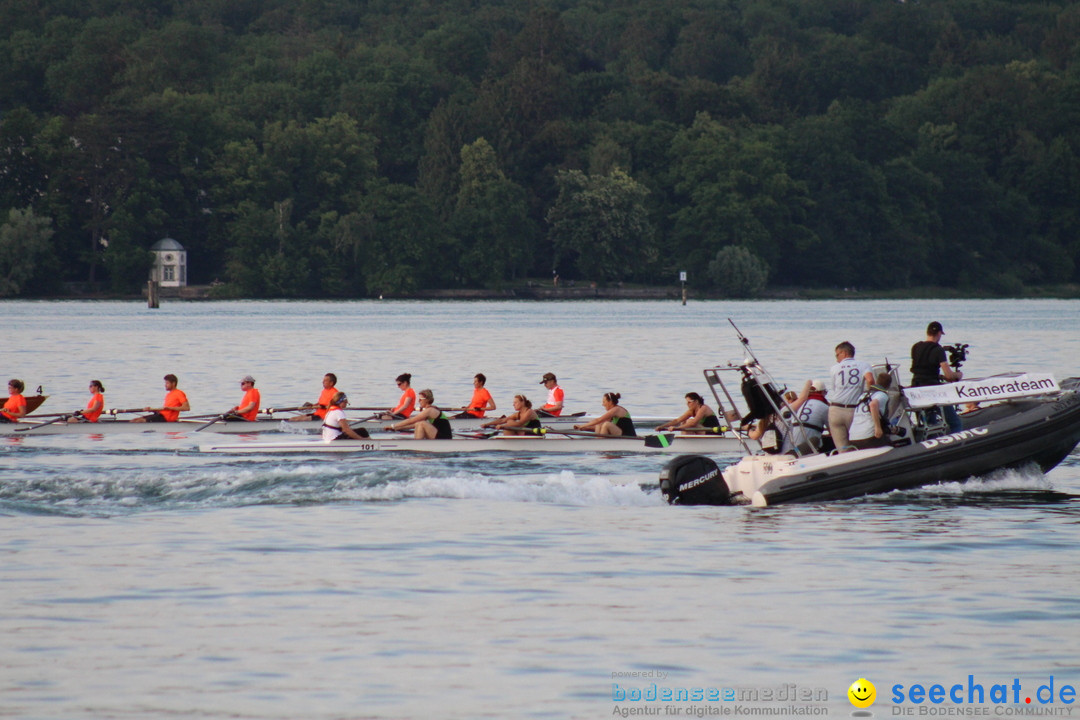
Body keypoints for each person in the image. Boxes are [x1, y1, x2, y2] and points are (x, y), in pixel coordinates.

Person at [911, 321, 963, 433]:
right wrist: (958, 375)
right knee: (955, 423)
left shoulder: (916, 347)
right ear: (939, 333)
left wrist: (939, 375)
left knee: (929, 425)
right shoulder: (938, 350)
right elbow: (949, 376)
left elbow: (922, 368)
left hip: (916, 388)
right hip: (932, 391)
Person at [827, 341, 874, 452]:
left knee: (842, 449)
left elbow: (834, 389)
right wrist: (867, 393)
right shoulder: (864, 365)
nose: (836, 359)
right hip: (853, 410)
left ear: (844, 353)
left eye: (837, 355)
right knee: (858, 443)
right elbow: (870, 380)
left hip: (835, 410)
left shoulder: (834, 368)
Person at [780, 379, 830, 454]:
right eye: (825, 392)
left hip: (792, 446)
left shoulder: (797, 405)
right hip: (808, 448)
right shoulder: (824, 407)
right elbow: (833, 430)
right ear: (822, 392)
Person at [849, 373, 893, 450]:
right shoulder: (882, 395)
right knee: (890, 447)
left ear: (876, 382)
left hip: (853, 436)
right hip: (869, 436)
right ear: (888, 386)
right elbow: (873, 405)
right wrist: (878, 427)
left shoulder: (863, 395)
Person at [386, 388, 451, 439]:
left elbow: (411, 420)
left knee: (421, 423)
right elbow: (414, 425)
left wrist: (393, 426)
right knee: (419, 424)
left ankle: (417, 445)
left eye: (420, 399)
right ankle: (417, 443)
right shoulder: (429, 410)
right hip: (438, 434)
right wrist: (396, 428)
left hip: (444, 437)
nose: (419, 401)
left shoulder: (430, 410)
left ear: (427, 400)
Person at [656, 392, 722, 432]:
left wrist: (677, 428)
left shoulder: (703, 408)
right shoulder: (691, 411)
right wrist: (662, 426)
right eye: (687, 402)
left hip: (713, 431)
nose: (687, 404)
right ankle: (684, 440)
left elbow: (693, 423)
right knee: (683, 422)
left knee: (689, 422)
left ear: (696, 401)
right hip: (703, 431)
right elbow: (677, 421)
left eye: (689, 402)